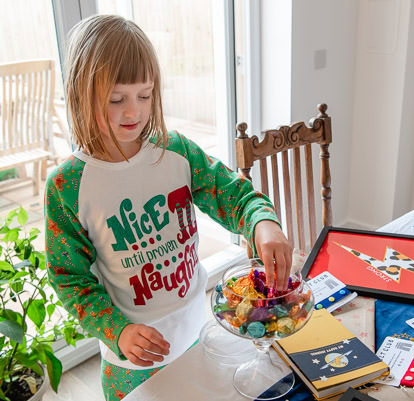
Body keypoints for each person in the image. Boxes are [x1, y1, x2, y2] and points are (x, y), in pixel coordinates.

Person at [44, 14, 293, 400]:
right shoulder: (67, 186)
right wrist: (117, 330)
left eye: (144, 95)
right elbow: (69, 278)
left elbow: (234, 194)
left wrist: (263, 223)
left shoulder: (175, 151)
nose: (133, 112)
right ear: (81, 92)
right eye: (116, 99)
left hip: (199, 332)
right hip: (132, 360)